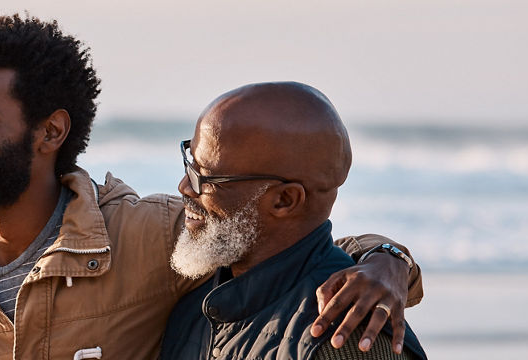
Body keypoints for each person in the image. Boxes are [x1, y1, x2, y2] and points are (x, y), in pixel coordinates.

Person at [0, 13, 423, 360]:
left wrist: (387, 260)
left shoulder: (152, 239)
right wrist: (388, 258)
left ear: (50, 131)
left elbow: (295, 250)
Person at [159, 82, 428, 359]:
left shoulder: (348, 342)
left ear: (284, 200)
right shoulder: (196, 303)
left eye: (204, 177)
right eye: (189, 162)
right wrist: (389, 256)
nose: (185, 187)